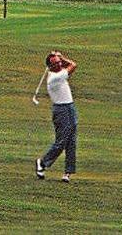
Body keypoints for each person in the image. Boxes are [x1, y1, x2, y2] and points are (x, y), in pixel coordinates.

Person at [35, 50, 77, 182]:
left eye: (59, 63)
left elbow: (66, 66)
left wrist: (58, 58)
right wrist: (62, 57)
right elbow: (73, 65)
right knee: (61, 142)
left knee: (71, 141)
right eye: (56, 63)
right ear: (50, 67)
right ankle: (42, 163)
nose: (60, 65)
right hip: (61, 111)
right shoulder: (54, 78)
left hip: (70, 108)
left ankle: (67, 172)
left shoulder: (57, 73)